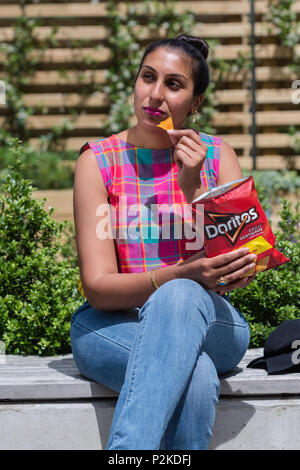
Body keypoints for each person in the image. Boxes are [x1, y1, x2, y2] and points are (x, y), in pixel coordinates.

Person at [70, 34, 256, 450]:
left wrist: (193, 190)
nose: (154, 95)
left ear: (195, 103)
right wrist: (182, 273)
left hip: (211, 324)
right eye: (147, 77)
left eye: (173, 84)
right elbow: (99, 289)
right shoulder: (99, 160)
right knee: (197, 376)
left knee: (180, 296)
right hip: (112, 325)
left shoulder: (218, 155)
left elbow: (239, 267)